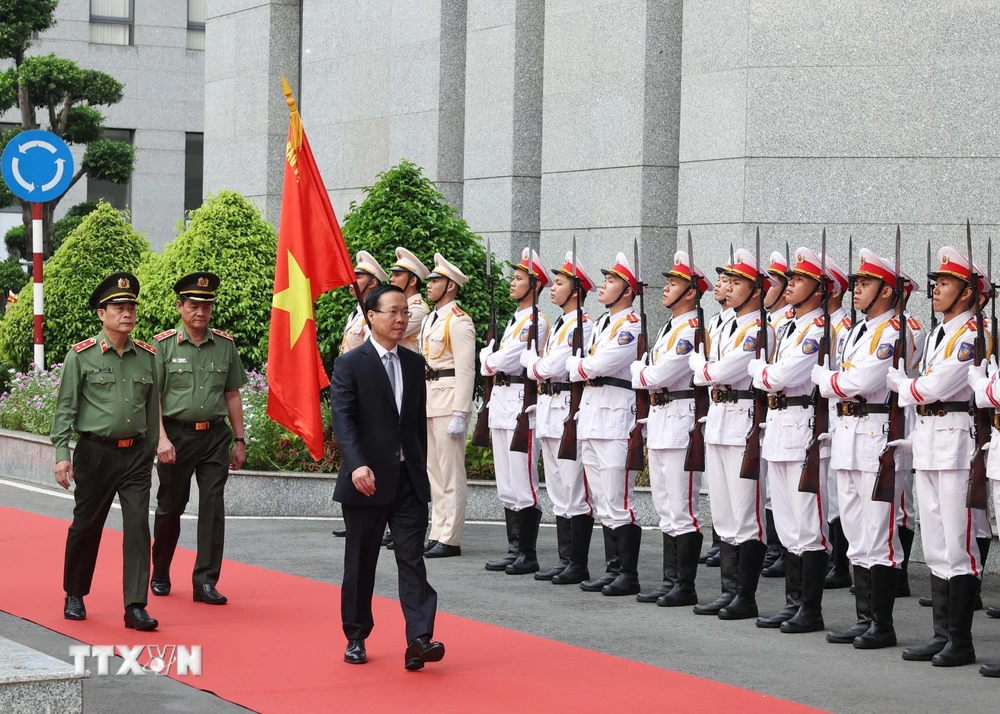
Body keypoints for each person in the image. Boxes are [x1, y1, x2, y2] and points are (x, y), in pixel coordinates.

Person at [330, 284, 444, 671]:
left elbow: (413, 424)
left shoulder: (413, 363)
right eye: (392, 312)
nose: (400, 319)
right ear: (371, 316)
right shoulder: (350, 363)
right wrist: (356, 463)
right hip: (366, 479)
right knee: (361, 562)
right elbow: (342, 420)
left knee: (412, 559)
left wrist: (419, 468)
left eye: (404, 313)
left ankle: (419, 638)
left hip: (407, 480)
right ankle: (356, 635)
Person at [888, 247, 987, 667]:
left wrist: (901, 385)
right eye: (936, 283)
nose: (936, 289)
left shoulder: (970, 335)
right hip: (930, 443)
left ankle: (960, 641)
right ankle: (942, 633)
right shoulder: (940, 333)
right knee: (935, 544)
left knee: (958, 544)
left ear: (967, 293)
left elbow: (935, 387)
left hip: (954, 447)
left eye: (945, 284)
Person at [51, 272, 160, 631]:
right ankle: (75, 592)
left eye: (131, 307)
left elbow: (151, 408)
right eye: (118, 307)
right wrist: (61, 454)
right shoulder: (81, 356)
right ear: (102, 313)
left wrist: (152, 449)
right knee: (87, 525)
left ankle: (135, 605)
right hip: (95, 453)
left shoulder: (148, 356)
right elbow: (65, 407)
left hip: (135, 456)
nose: (126, 313)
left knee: (138, 528)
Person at [811, 249, 905, 649]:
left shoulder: (894, 331)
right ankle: (864, 617)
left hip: (875, 439)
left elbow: (861, 381)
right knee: (854, 531)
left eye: (866, 284)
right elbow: (843, 382)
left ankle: (882, 624)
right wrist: (837, 380)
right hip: (848, 436)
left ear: (886, 291)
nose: (857, 289)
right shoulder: (854, 332)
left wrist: (830, 379)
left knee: (879, 534)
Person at [150, 272, 248, 605]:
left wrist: (239, 439)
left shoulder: (225, 345)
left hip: (214, 437)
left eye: (206, 306)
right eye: (193, 305)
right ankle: (160, 569)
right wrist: (161, 439)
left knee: (213, 507)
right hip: (176, 436)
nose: (201, 313)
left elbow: (232, 394)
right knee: (170, 507)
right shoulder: (163, 345)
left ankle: (205, 580)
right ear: (180, 306)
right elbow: (155, 398)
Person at [749, 246, 833, 634]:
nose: (788, 285)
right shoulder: (788, 327)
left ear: (818, 291)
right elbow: (775, 375)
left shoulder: (818, 329)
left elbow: (781, 376)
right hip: (780, 426)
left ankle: (810, 610)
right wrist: (767, 372)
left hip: (802, 426)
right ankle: (793, 602)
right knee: (785, 522)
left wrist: (759, 370)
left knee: (807, 522)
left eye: (798, 280)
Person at [689, 249, 775, 620]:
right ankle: (728, 590)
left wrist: (703, 366)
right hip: (720, 420)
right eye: (731, 281)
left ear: (756, 291)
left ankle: (746, 595)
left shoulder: (760, 329)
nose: (731, 287)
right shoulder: (726, 325)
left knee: (746, 513)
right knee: (723, 512)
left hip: (743, 424)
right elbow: (710, 372)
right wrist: (706, 369)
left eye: (738, 282)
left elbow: (718, 370)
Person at [630, 251, 709, 607]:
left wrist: (640, 374)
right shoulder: (669, 328)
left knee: (682, 505)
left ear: (691, 292)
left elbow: (657, 374)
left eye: (674, 283)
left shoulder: (691, 329)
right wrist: (645, 373)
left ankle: (684, 584)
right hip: (662, 419)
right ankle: (669, 578)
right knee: (664, 503)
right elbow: (651, 372)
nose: (665, 288)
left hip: (680, 418)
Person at [566, 252, 643, 597]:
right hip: (593, 414)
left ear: (627, 291)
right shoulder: (601, 324)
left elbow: (603, 363)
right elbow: (591, 364)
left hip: (615, 416)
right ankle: (613, 569)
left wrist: (581, 366)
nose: (603, 285)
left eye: (611, 281)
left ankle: (628, 573)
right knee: (601, 498)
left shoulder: (631, 325)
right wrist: (586, 365)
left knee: (617, 497)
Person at [520, 251, 596, 584]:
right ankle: (566, 558)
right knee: (557, 488)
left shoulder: (582, 324)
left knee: (573, 487)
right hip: (550, 408)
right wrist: (537, 366)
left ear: (576, 290)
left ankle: (578, 562)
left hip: (566, 405)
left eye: (561, 283)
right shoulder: (564, 324)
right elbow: (545, 368)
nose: (553, 287)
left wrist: (532, 363)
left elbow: (550, 367)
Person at [480, 249, 550, 574]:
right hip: (502, 401)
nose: (512, 282)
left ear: (534, 286)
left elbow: (501, 361)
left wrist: (489, 358)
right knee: (506, 482)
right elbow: (493, 362)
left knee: (523, 481)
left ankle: (528, 553)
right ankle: (513, 548)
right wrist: (491, 359)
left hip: (521, 402)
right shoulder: (514, 322)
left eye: (519, 279)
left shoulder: (536, 322)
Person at [420, 254, 476, 558]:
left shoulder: (459, 320)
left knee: (451, 472)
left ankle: (451, 537)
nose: (429, 286)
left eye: (436, 281)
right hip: (429, 399)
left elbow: (466, 369)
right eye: (429, 281)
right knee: (434, 472)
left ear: (450, 286)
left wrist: (461, 411)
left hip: (448, 401)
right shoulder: (431, 318)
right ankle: (437, 530)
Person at [333, 251, 388, 538]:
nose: (352, 279)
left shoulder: (373, 318)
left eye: (359, 275)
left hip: (369, 387)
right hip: (351, 386)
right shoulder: (357, 313)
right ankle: (354, 510)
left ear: (373, 282)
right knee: (352, 447)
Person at [824, 261, 854, 591]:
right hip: (833, 415)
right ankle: (838, 559)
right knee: (834, 494)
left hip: (841, 413)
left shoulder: (842, 328)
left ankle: (841, 563)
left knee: (839, 492)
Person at [701, 268, 734, 568]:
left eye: (729, 282)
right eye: (724, 280)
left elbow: (711, 370)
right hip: (718, 412)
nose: (721, 285)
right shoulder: (715, 322)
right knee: (718, 491)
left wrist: (704, 370)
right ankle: (719, 544)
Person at [762, 252, 792, 578]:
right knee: (772, 488)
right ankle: (775, 548)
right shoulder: (770, 322)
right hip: (773, 412)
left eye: (771, 284)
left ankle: (782, 550)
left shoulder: (786, 324)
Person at [389, 247, 431, 354]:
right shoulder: (396, 305)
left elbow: (386, 332)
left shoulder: (418, 308)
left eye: (397, 275)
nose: (391, 279)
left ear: (412, 281)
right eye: (393, 274)